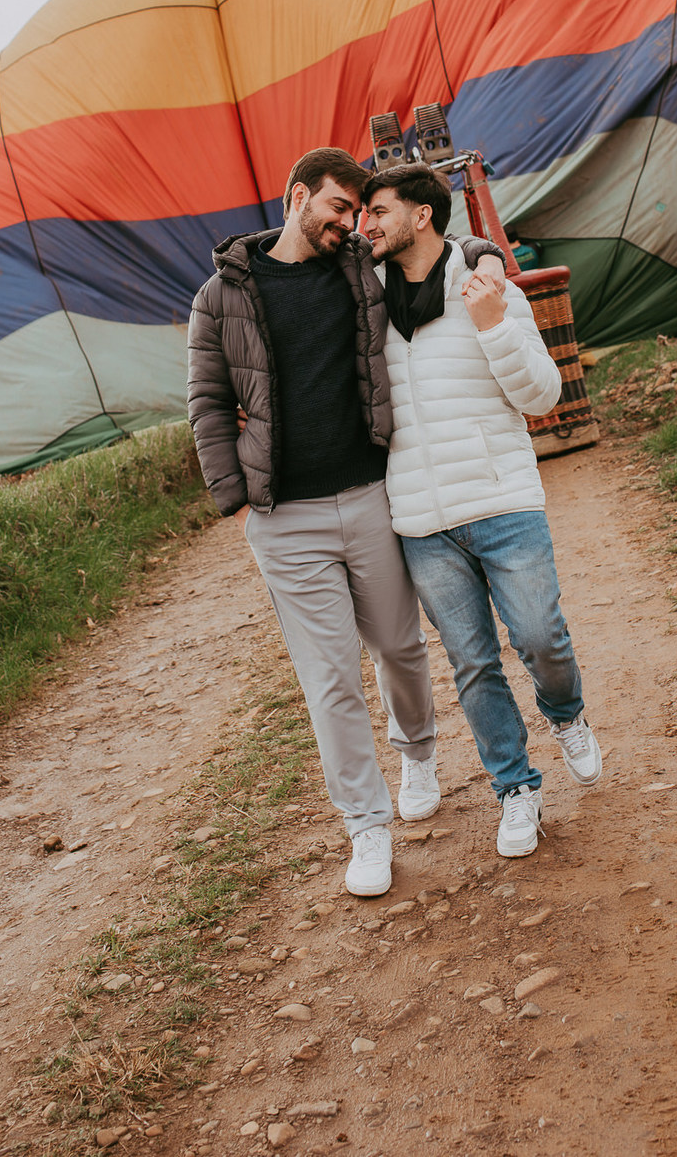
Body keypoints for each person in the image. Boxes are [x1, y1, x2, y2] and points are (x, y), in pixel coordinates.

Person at [186, 147, 505, 896]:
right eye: (336, 207)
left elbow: (441, 249)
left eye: (358, 213)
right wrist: (235, 496)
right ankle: (365, 826)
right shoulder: (222, 294)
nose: (348, 224)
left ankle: (418, 754)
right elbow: (205, 401)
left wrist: (486, 252)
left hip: (370, 495)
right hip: (286, 520)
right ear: (298, 197)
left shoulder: (361, 266)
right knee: (329, 679)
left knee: (398, 645)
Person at [362, 162, 601, 859]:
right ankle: (516, 790)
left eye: (378, 211)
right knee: (472, 664)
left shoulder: (485, 285)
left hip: (502, 502)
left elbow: (543, 396)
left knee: (540, 637)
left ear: (422, 215)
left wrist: (493, 323)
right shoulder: (365, 299)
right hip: (420, 523)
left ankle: (567, 715)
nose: (367, 225)